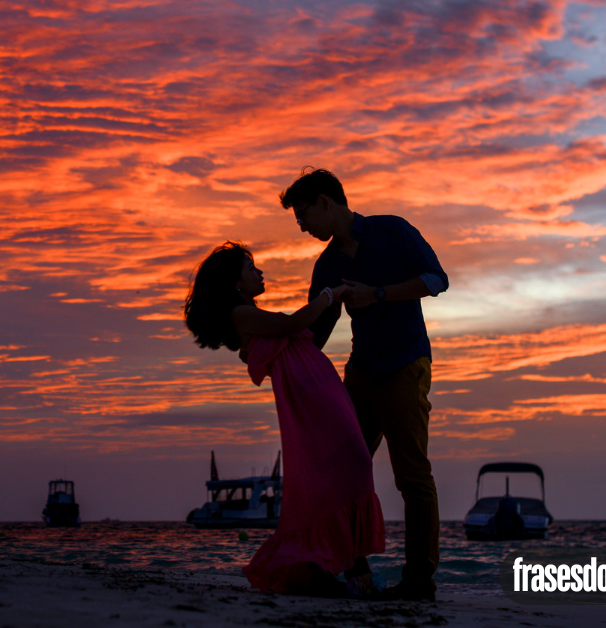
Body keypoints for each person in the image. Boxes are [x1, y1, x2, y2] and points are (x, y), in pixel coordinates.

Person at [279, 168, 448, 602]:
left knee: (412, 476)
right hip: (359, 374)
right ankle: (354, 572)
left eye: (303, 215)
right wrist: (278, 356)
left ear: (325, 202)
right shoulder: (328, 264)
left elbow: (436, 280)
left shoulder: (391, 231)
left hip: (406, 365)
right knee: (341, 471)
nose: (301, 226)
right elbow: (317, 329)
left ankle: (419, 581)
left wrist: (377, 293)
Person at [184, 242, 385, 597]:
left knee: (347, 469)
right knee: (351, 466)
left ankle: (332, 567)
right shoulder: (240, 314)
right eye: (250, 268)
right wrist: (330, 293)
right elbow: (294, 323)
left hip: (318, 389)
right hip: (311, 398)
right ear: (234, 283)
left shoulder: (248, 314)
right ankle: (353, 571)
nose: (258, 273)